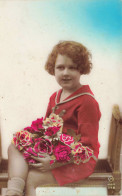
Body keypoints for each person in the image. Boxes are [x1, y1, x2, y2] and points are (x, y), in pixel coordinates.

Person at [6, 41, 101, 196]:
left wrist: (53, 162)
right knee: (15, 146)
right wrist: (32, 143)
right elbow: (46, 131)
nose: (65, 73)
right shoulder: (55, 97)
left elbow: (88, 149)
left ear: (82, 69)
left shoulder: (86, 101)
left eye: (72, 67)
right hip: (55, 150)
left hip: (78, 160)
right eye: (60, 67)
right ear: (53, 69)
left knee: (32, 177)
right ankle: (14, 192)